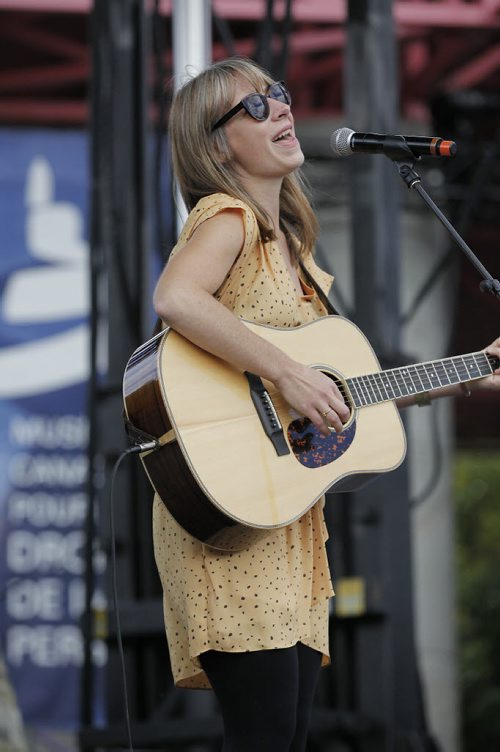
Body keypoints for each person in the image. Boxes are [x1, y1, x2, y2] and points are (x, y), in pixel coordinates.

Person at [151, 57, 500, 752]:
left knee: (284, 735)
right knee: (267, 736)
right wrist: (285, 372)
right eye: (256, 107)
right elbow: (175, 300)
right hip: (232, 518)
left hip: (286, 523)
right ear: (217, 146)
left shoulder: (297, 251)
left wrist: (477, 370)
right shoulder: (229, 217)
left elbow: (354, 384)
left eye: (278, 94)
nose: (279, 108)